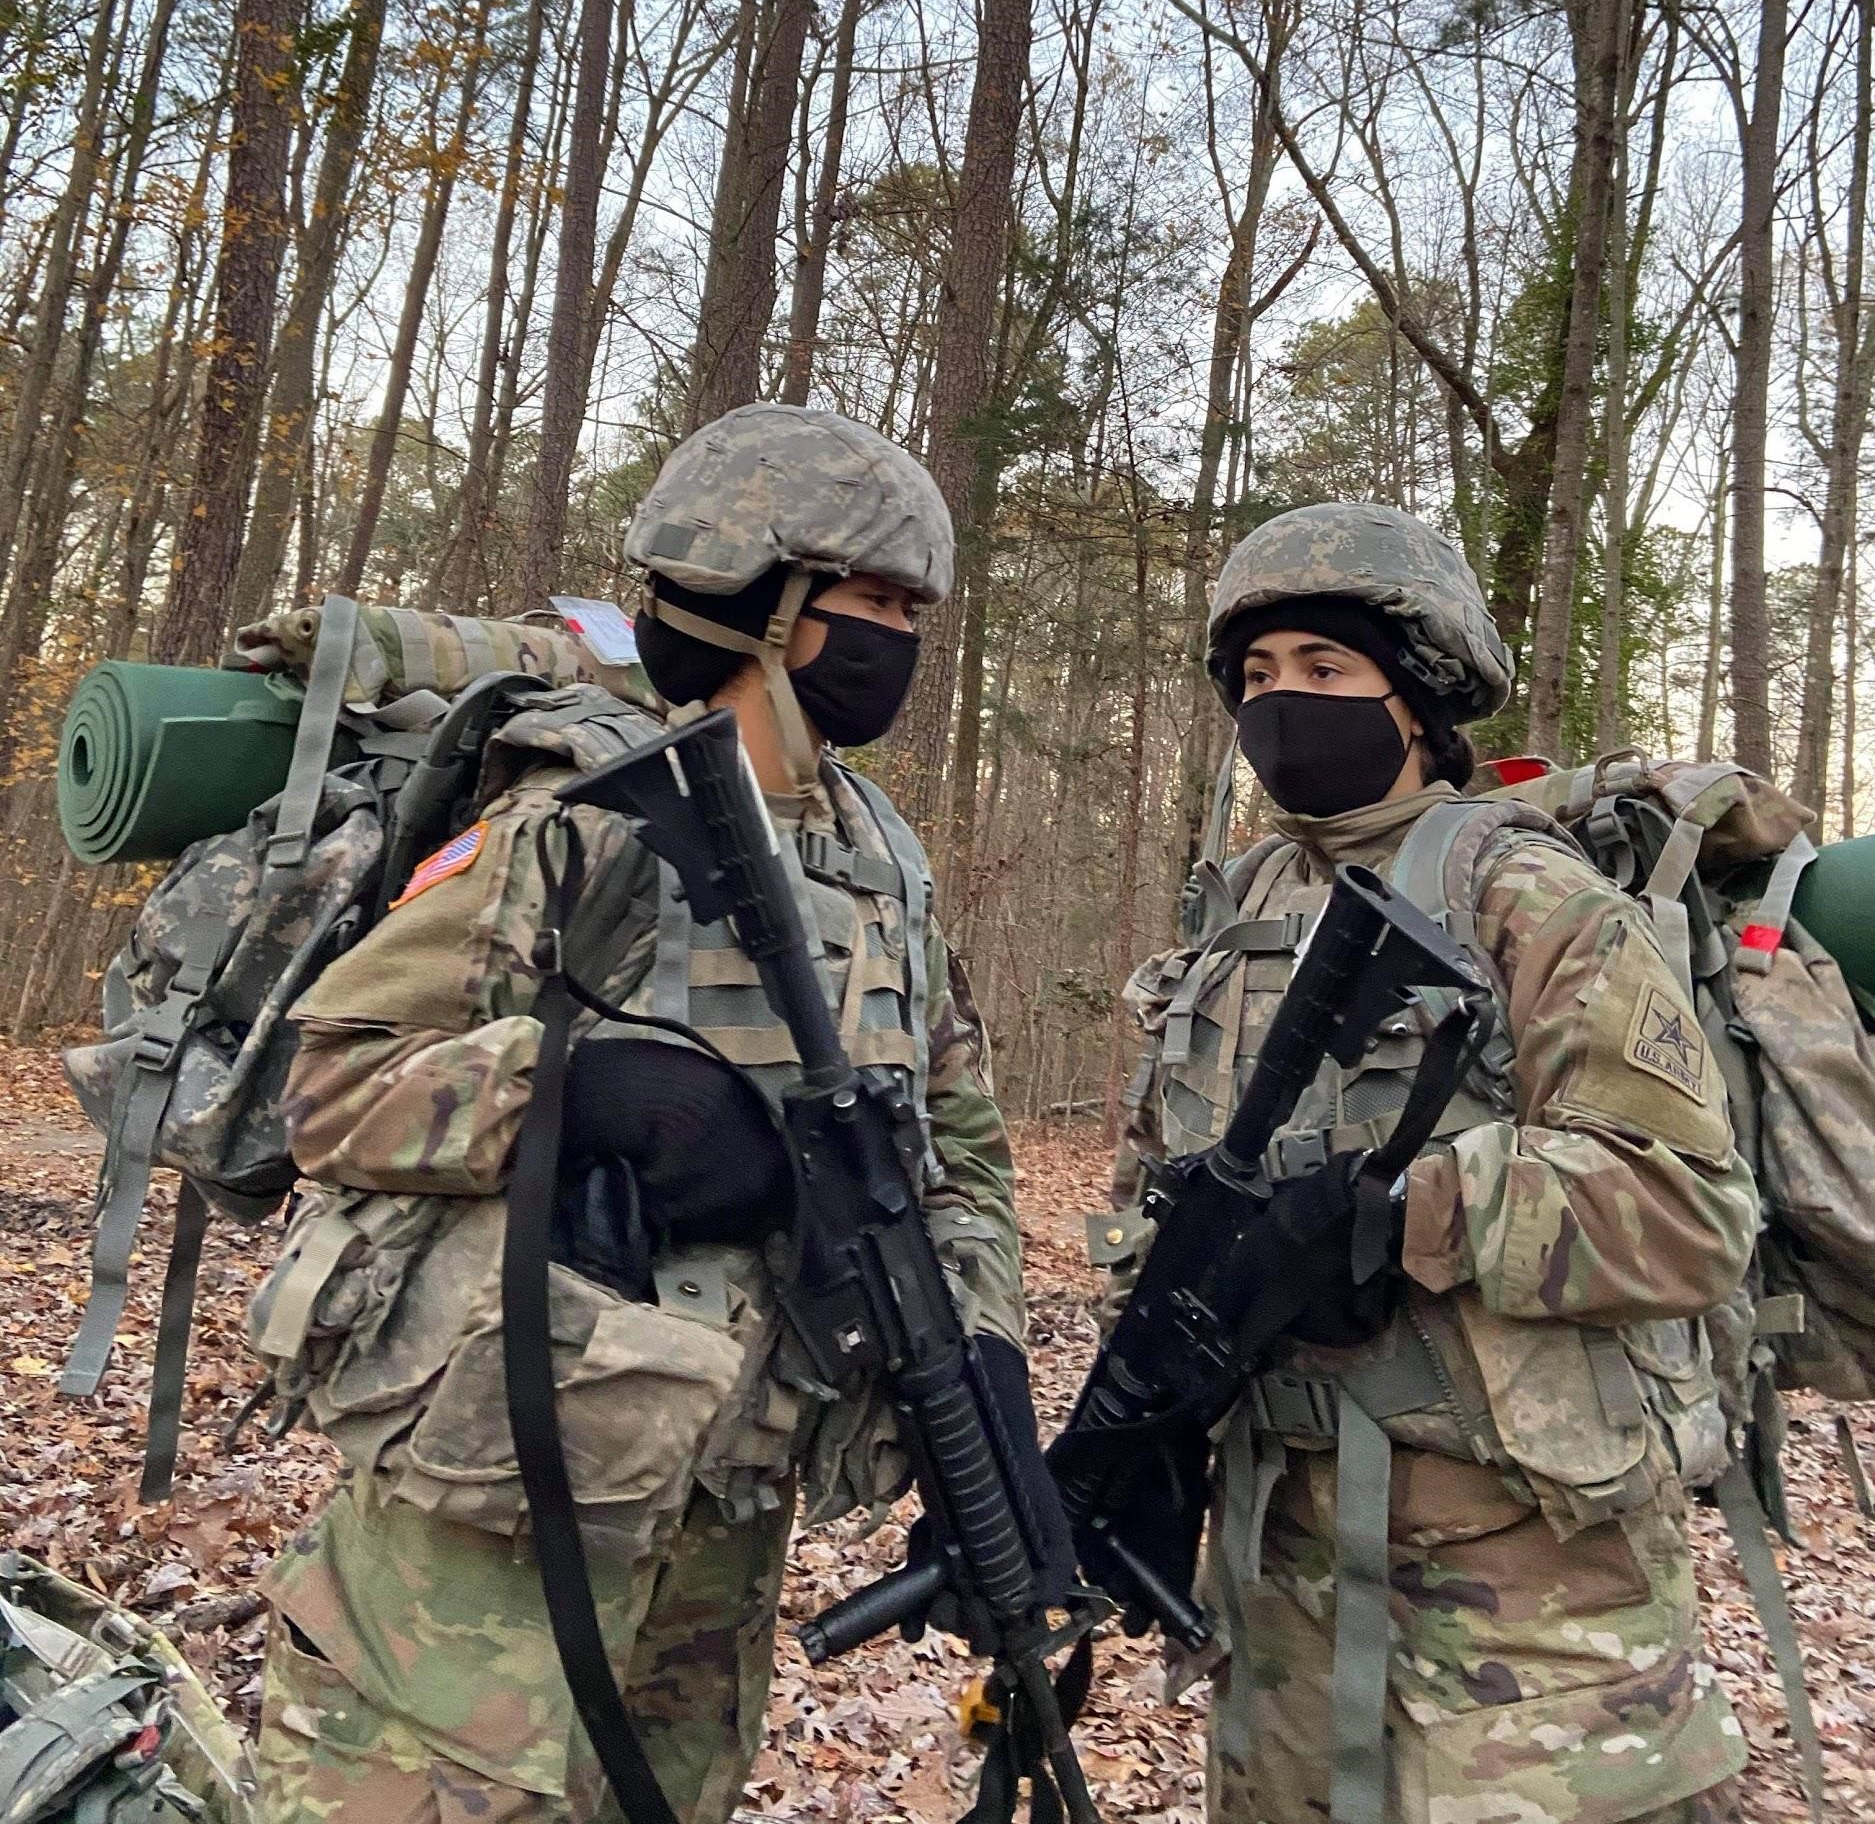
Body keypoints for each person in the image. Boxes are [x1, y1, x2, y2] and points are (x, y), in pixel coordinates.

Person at [251, 404, 1032, 1824]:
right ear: (766, 604)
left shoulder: (881, 861)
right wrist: (577, 1090)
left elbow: (956, 1144)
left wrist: (983, 1351)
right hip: (502, 1489)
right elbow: (330, 1079)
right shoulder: (584, 813)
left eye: (917, 609)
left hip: (732, 1505)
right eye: (870, 601)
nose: (899, 639)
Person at [1095, 502, 1760, 1824]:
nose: (1285, 702)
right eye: (1260, 678)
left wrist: (1408, 1212)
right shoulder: (1236, 918)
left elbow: (1688, 1207)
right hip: (1279, 1604)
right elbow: (1153, 1199)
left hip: (1528, 1633)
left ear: (1417, 694)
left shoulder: (1529, 896)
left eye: (1327, 671)